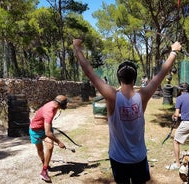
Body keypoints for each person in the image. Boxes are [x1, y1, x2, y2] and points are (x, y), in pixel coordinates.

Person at [73, 38, 182, 183]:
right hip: (139, 158)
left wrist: (77, 47)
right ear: (135, 79)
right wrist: (173, 52)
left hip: (118, 159)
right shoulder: (143, 96)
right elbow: (161, 74)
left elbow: (89, 72)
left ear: (119, 79)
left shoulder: (112, 96)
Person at [29, 95, 68, 182]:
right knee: (40, 149)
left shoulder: (54, 105)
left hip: (44, 129)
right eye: (65, 103)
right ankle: (44, 163)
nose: (66, 105)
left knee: (50, 147)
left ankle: (44, 171)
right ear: (60, 104)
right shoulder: (49, 111)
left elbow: (47, 128)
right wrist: (59, 142)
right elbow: (48, 133)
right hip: (35, 130)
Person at [166, 83, 189, 170]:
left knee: (176, 141)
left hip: (186, 123)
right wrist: (180, 115)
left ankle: (177, 164)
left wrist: (174, 116)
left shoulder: (179, 98)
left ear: (180, 90)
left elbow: (176, 114)